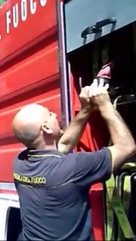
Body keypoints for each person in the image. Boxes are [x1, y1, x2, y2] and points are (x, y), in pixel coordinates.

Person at [12, 78, 136, 241]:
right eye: (50, 114)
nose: (55, 114)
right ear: (46, 128)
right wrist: (104, 103)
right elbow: (127, 147)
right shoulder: (74, 167)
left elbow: (63, 145)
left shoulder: (20, 163)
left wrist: (85, 110)